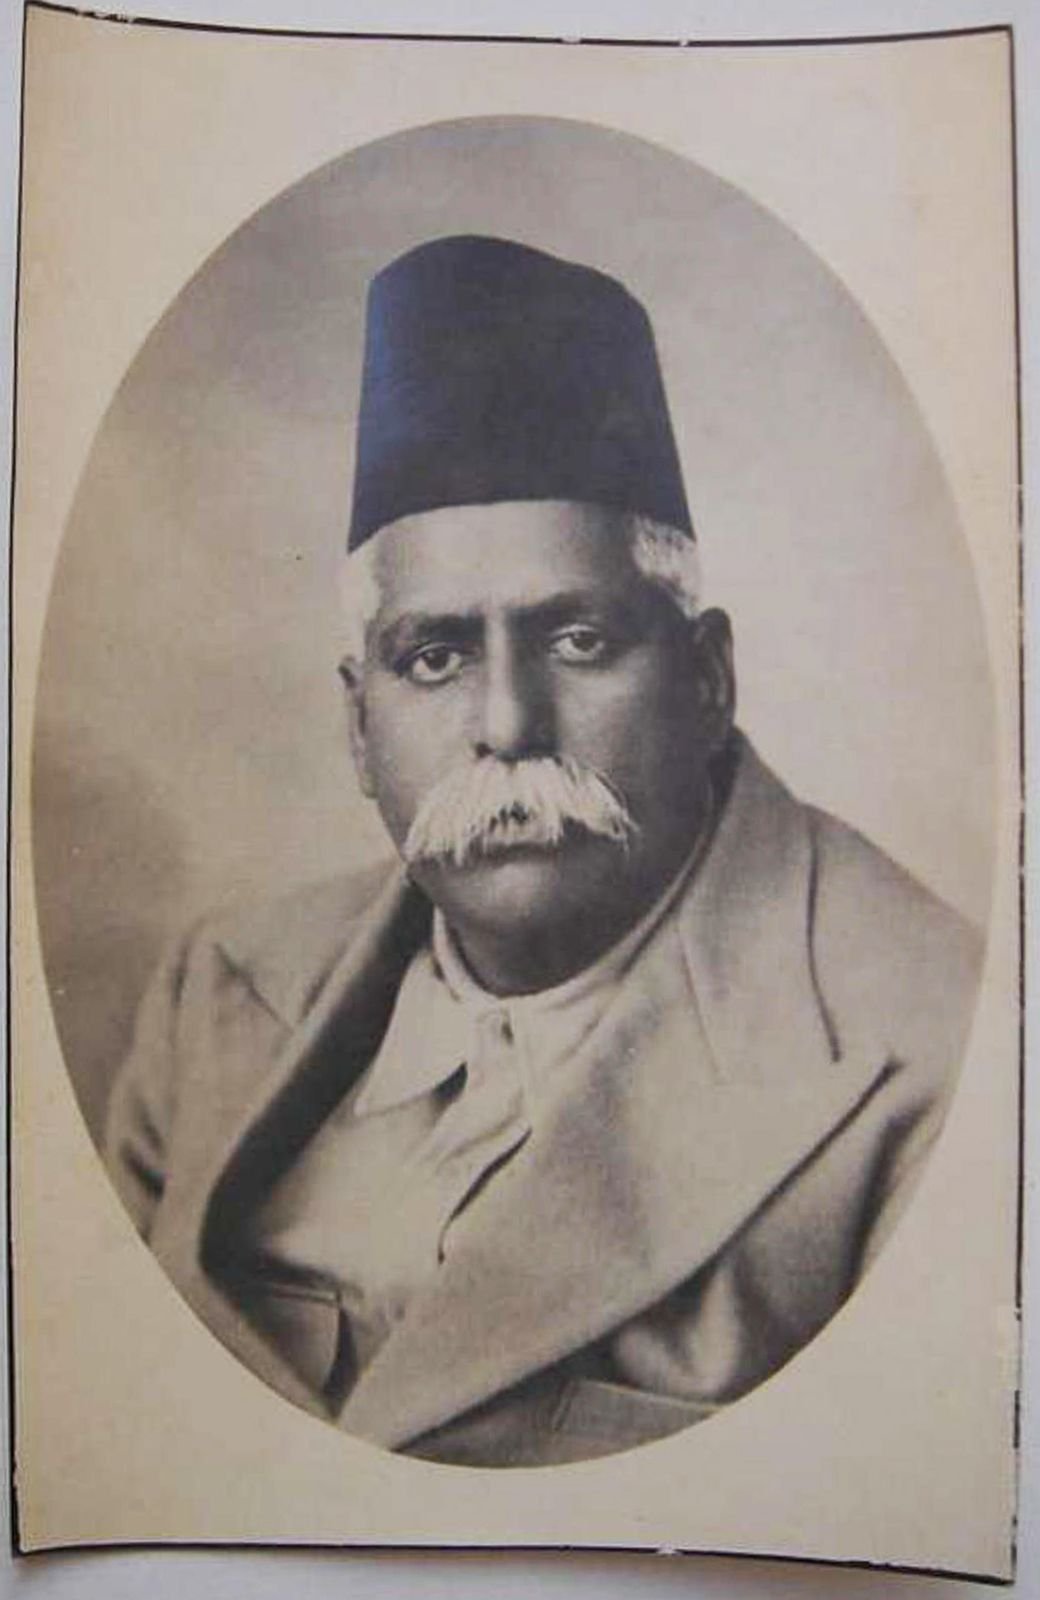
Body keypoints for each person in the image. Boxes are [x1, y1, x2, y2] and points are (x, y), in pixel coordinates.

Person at [105, 235, 982, 1468]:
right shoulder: (217, 998)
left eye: (577, 641)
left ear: (706, 678)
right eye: (434, 657)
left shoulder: (934, 1059)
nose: (508, 725)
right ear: (358, 727)